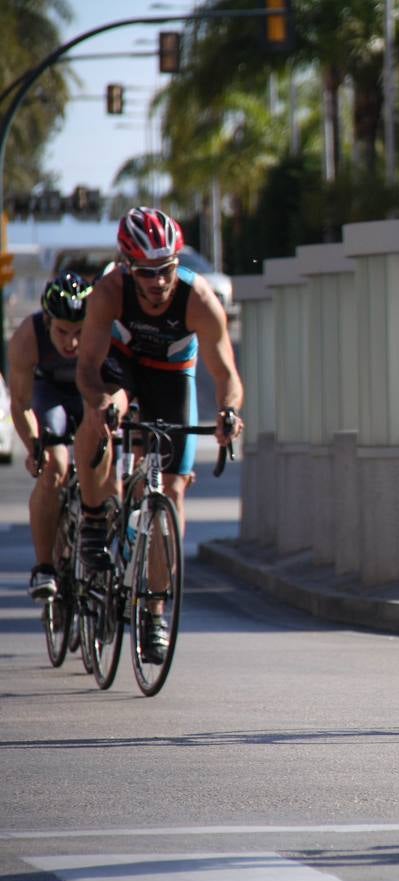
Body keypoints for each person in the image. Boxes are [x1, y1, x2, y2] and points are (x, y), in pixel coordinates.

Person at [74, 207, 244, 662]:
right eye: (147, 272)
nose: (158, 281)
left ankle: (154, 612)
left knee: (172, 489)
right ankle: (93, 519)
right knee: (106, 409)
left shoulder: (198, 298)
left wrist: (228, 411)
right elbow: (87, 368)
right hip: (121, 370)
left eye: (166, 268)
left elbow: (226, 373)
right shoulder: (109, 291)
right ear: (128, 268)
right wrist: (99, 403)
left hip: (173, 375)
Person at [7, 272, 98, 603]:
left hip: (89, 391)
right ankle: (45, 566)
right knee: (55, 466)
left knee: (103, 463)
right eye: (62, 331)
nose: (72, 343)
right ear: (47, 321)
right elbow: (20, 404)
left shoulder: (103, 330)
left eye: (79, 332)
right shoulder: (26, 338)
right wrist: (34, 445)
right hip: (50, 394)